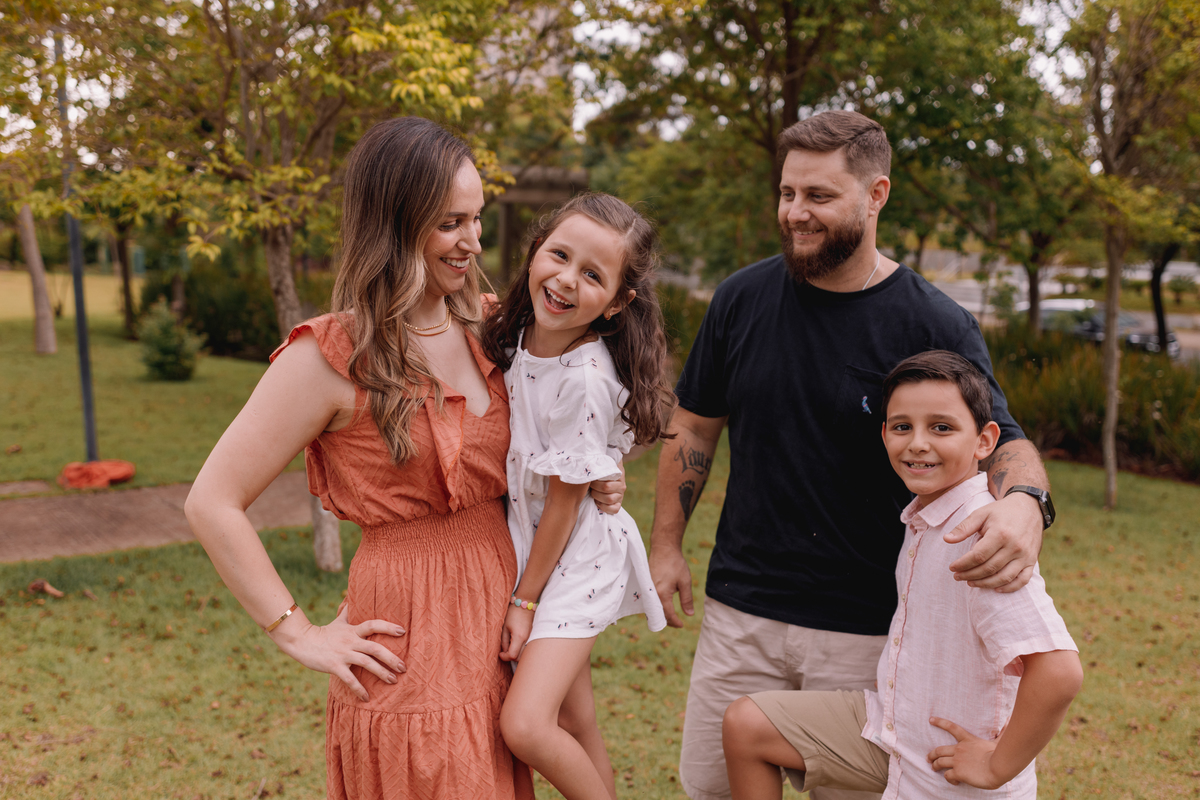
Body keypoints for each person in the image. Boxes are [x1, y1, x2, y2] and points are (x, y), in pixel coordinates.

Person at [184, 117, 624, 800]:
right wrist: (296, 632)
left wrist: (601, 470)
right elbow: (211, 501)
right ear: (395, 222)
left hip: (504, 604)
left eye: (476, 219)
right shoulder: (327, 356)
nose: (474, 241)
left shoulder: (495, 324)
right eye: (452, 222)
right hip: (408, 633)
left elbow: (571, 412)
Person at [650, 110, 1057, 800]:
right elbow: (693, 427)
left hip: (869, 630)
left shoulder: (933, 323)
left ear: (876, 195)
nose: (796, 213)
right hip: (741, 612)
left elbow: (1004, 440)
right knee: (713, 788)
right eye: (787, 194)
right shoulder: (740, 299)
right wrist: (664, 544)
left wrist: (1026, 503)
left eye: (818, 197)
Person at [722, 350, 1081, 799]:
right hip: (896, 733)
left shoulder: (979, 533)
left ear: (985, 441)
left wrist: (996, 765)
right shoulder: (924, 518)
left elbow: (1059, 671)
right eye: (902, 426)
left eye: (942, 427)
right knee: (746, 725)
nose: (917, 443)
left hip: (951, 773)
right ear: (885, 434)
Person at [481, 193, 673, 800]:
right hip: (547, 545)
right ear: (535, 250)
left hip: (575, 560)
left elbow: (565, 503)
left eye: (592, 275)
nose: (565, 280)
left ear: (617, 303)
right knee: (574, 717)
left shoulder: (583, 378)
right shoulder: (517, 339)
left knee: (526, 724)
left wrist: (524, 602)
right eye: (558, 255)